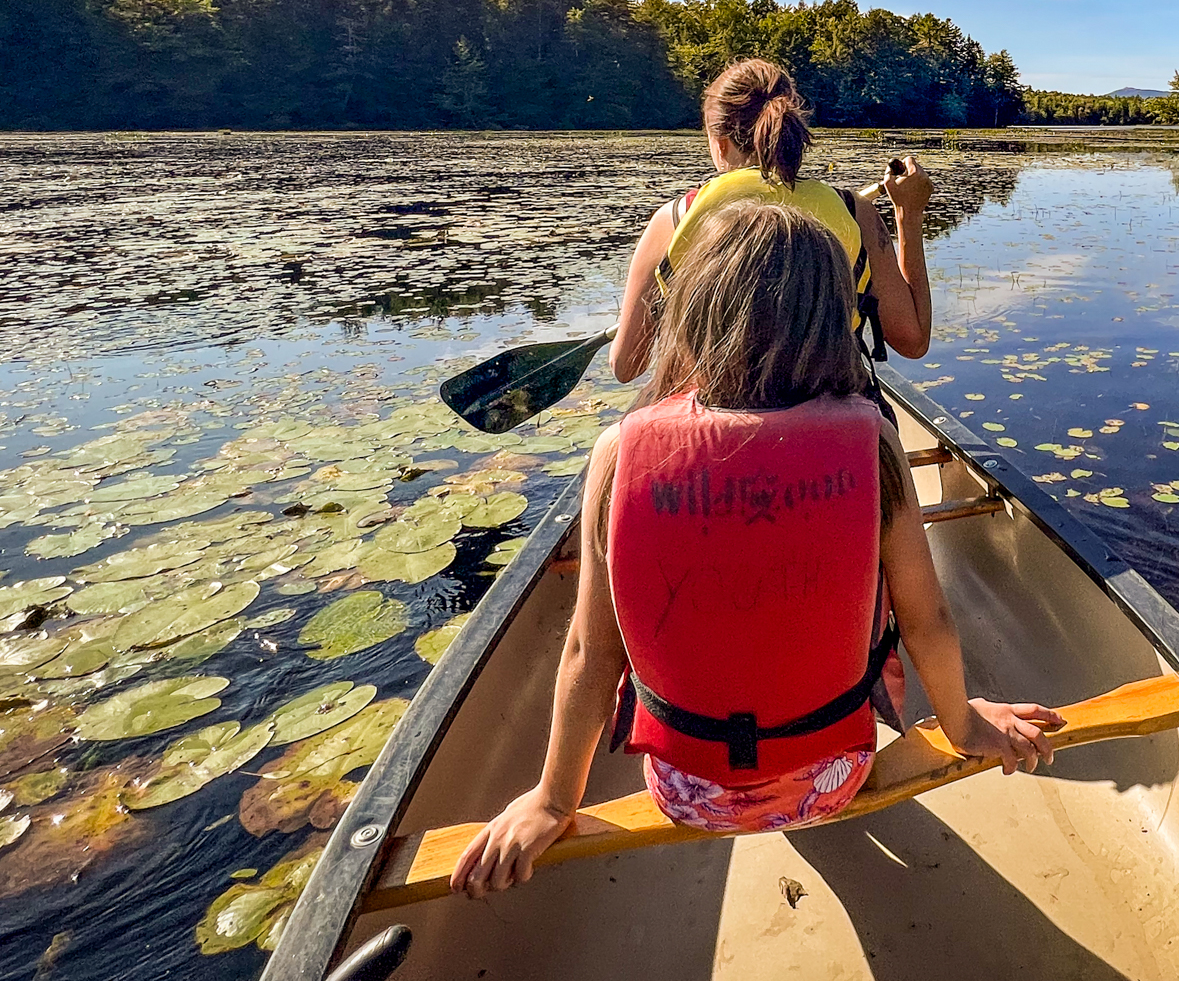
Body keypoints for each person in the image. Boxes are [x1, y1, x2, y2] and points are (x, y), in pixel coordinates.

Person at [452, 201, 1063, 898]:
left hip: (686, 792)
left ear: (693, 311)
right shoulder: (873, 439)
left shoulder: (619, 453)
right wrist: (963, 722)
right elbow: (928, 623)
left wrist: (555, 801)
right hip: (835, 774)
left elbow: (591, 656)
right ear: (833, 320)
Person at [609, 57, 934, 385]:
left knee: (611, 439)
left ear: (721, 145)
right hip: (830, 402)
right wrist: (909, 214)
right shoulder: (855, 212)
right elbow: (913, 341)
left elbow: (626, 367)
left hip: (717, 415)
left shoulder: (675, 219)